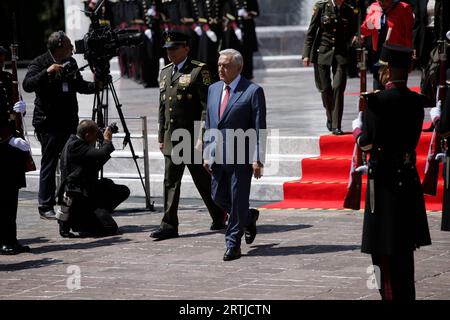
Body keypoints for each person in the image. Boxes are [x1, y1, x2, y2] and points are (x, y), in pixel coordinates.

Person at [352, 44, 432, 299]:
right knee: (405, 248)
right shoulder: (416, 101)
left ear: (387, 70)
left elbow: (366, 142)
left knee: (381, 251)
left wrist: (357, 130)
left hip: (383, 184)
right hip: (407, 179)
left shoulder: (376, 101)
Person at [150, 31, 226, 240]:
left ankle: (219, 214)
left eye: (174, 48)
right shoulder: (165, 72)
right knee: (170, 181)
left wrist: (203, 135)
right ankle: (168, 225)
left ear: (186, 48)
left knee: (203, 181)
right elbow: (162, 106)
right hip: (172, 138)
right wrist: (160, 135)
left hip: (192, 138)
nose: (170, 53)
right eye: (168, 49)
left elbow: (207, 107)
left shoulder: (199, 71)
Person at [22, 31, 98, 220]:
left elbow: (79, 85)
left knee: (71, 161)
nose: (72, 48)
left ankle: (68, 199)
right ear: (59, 46)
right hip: (48, 123)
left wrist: (97, 86)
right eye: (69, 45)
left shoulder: (71, 63)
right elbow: (27, 85)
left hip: (68, 121)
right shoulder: (40, 62)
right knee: (49, 162)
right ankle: (44, 205)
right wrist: (47, 72)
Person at [203, 49, 266, 261]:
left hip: (242, 155)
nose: (221, 69)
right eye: (219, 64)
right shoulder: (213, 89)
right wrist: (206, 152)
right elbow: (210, 123)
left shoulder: (252, 91)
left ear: (238, 67)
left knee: (238, 199)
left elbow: (259, 128)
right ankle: (248, 217)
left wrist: (258, 158)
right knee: (217, 196)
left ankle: (233, 244)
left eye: (226, 65)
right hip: (217, 156)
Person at [56, 120, 130, 237]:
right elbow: (101, 154)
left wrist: (99, 135)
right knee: (110, 228)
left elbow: (95, 163)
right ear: (87, 135)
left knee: (116, 188)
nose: (98, 136)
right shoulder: (76, 146)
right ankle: (84, 221)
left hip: (87, 191)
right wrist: (107, 140)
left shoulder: (76, 141)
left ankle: (98, 213)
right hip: (79, 199)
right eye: (96, 134)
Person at [303, 0, 358, 135]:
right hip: (322, 52)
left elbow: (352, 31)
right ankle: (330, 115)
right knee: (325, 88)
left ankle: (336, 124)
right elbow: (311, 31)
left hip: (341, 54)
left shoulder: (349, 10)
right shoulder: (321, 7)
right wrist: (306, 54)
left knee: (338, 87)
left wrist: (355, 38)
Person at [0, 46, 31, 254]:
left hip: (11, 149)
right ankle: (3, 240)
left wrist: (22, 107)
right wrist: (8, 138)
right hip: (2, 146)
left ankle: (11, 238)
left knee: (11, 196)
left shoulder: (6, 78)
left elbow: (15, 108)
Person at [359, 0, 414, 90]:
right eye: (379, 1)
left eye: (384, 1)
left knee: (396, 89)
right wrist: (371, 20)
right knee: (378, 87)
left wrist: (409, 55)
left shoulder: (404, 8)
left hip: (397, 54)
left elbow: (409, 34)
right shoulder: (374, 7)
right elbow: (366, 30)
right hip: (379, 54)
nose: (382, 3)